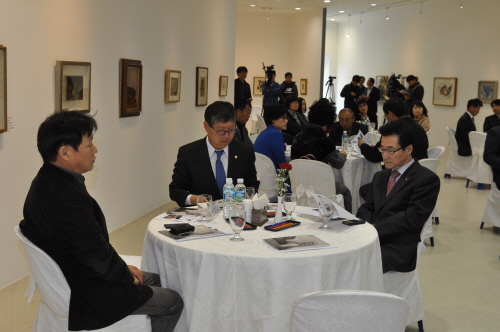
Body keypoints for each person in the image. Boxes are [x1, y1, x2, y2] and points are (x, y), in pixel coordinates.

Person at [19, 111, 183, 332]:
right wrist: (125, 277)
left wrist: (123, 267)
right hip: (90, 294)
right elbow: (95, 256)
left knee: (159, 278)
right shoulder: (67, 198)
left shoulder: (45, 180)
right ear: (65, 152)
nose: (95, 150)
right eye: (89, 144)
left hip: (77, 277)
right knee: (172, 301)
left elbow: (89, 245)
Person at [356, 120, 440, 273]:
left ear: (408, 149)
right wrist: (365, 228)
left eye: (391, 150)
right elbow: (367, 207)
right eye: (382, 149)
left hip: (397, 248)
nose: (385, 156)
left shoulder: (426, 179)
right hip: (370, 239)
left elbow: (412, 218)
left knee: (349, 265)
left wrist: (375, 229)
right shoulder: (381, 176)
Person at [169, 101, 259, 206]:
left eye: (231, 130)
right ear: (206, 126)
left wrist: (247, 194)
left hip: (235, 214)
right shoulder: (188, 153)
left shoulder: (244, 151)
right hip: (202, 216)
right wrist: (194, 199)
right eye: (220, 130)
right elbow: (175, 190)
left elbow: (252, 183)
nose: (226, 136)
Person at [291, 99, 353, 212]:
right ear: (329, 120)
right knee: (345, 192)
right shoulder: (324, 141)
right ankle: (348, 221)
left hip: (300, 184)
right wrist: (343, 154)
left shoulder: (298, 137)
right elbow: (338, 163)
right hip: (319, 184)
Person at [358, 98, 429, 163]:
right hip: (421, 169)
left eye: (385, 115)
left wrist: (362, 145)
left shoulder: (393, 129)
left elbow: (374, 156)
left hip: (402, 171)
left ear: (390, 114)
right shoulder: (418, 126)